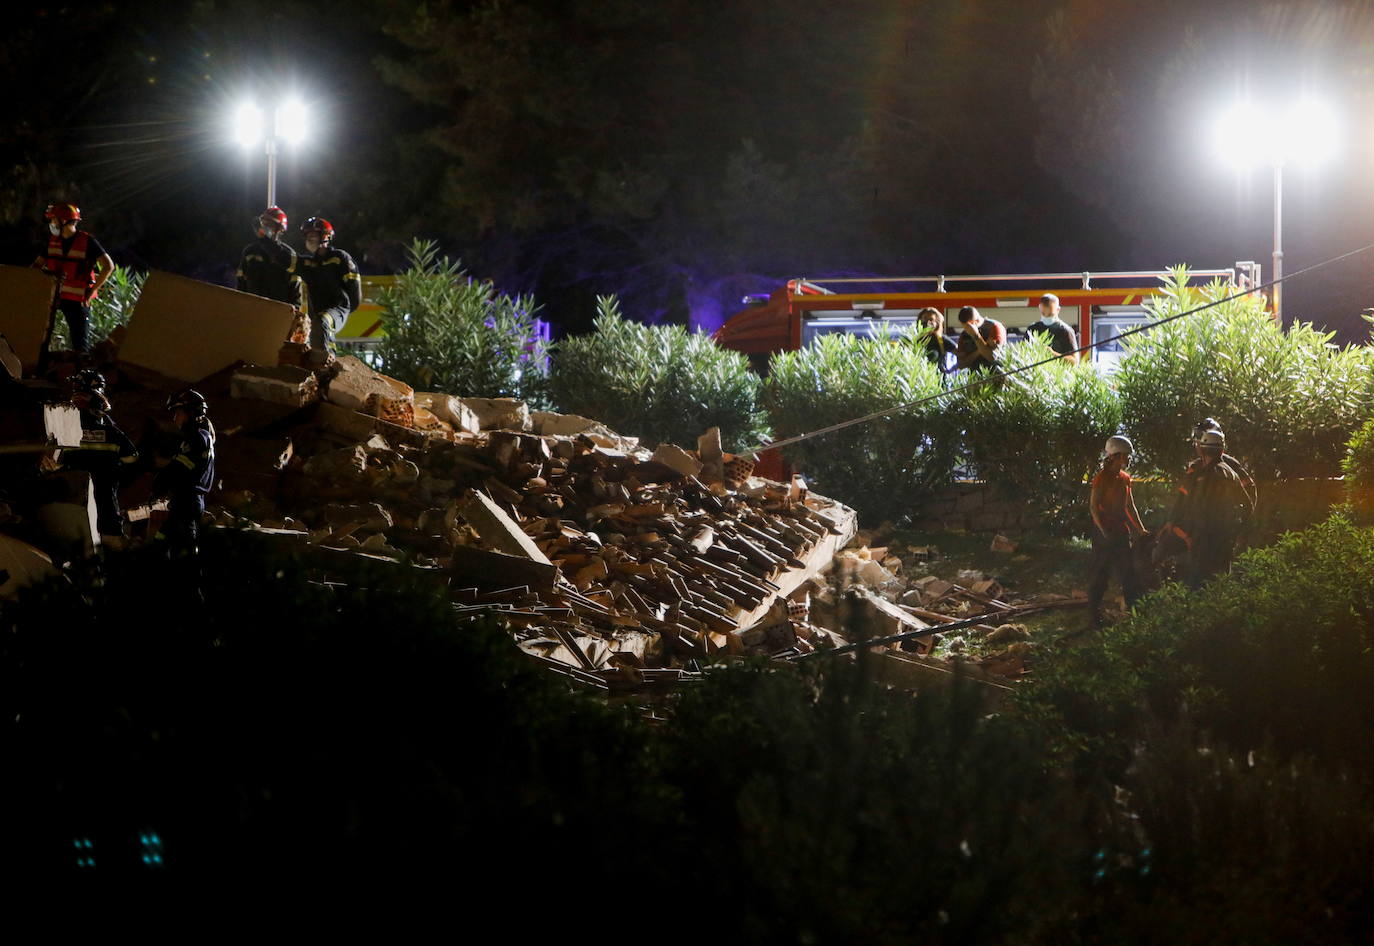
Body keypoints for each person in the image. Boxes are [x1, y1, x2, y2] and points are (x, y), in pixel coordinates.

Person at [1161, 426, 1249, 588]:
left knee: (1198, 578)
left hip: (1204, 537)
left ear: (1202, 449)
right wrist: (1238, 529)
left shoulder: (1200, 475)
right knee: (1222, 577)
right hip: (1225, 536)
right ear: (1222, 450)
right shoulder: (1232, 473)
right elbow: (1248, 504)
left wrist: (1187, 533)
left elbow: (1191, 504)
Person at [61, 369, 138, 543]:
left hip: (73, 507)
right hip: (101, 509)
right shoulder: (111, 432)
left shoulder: (64, 429)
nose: (75, 396)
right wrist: (113, 473)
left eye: (80, 392)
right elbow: (131, 458)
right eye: (75, 391)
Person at [32, 202, 114, 356]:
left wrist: (92, 291)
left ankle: (80, 375)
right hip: (53, 298)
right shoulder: (52, 242)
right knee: (40, 339)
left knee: (80, 345)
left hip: (77, 300)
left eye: (53, 220)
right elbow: (36, 266)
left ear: (63, 221)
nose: (52, 224)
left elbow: (108, 266)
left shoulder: (87, 241)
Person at [1088, 435, 1147, 628]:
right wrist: (1102, 529)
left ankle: (1135, 614)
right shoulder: (1101, 478)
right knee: (1100, 575)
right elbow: (1094, 507)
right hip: (1104, 534)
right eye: (1127, 456)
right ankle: (1093, 616)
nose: (1129, 459)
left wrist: (1140, 529)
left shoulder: (1125, 479)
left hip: (1120, 533)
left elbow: (1129, 506)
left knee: (1128, 574)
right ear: (1117, 455)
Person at [152, 389, 215, 557]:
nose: (175, 418)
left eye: (178, 413)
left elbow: (180, 470)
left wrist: (160, 482)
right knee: (166, 543)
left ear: (190, 413)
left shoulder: (196, 439)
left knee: (180, 548)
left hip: (187, 502)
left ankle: (188, 581)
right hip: (186, 501)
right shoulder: (199, 438)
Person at [296, 216, 361, 360]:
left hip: (339, 308)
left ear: (325, 236)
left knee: (322, 323)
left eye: (313, 235)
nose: (309, 239)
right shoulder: (307, 263)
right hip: (318, 315)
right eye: (307, 236)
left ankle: (326, 364)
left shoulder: (340, 258)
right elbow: (287, 259)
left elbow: (354, 291)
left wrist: (344, 311)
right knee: (311, 330)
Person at [235, 206, 303, 307]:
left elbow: (296, 294)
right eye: (263, 223)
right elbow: (241, 283)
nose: (264, 227)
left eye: (269, 224)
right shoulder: (250, 252)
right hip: (252, 311)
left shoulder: (289, 256)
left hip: (278, 314)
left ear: (280, 229)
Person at [1191, 417, 1257, 513]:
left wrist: (1240, 517)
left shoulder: (1229, 464)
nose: (1196, 445)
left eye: (1198, 441)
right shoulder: (1196, 465)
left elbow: (1249, 489)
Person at [1025, 292, 1079, 364]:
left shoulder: (1066, 331)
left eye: (1050, 314)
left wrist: (1053, 354)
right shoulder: (1032, 330)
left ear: (1058, 310)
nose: (1046, 317)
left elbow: (1074, 361)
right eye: (1043, 314)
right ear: (1040, 308)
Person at [954, 305, 1006, 372]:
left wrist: (976, 336)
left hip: (995, 375)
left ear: (976, 321)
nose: (966, 330)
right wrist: (981, 349)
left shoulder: (994, 327)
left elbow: (992, 357)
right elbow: (961, 364)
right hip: (975, 377)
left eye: (968, 327)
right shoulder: (964, 334)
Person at [914, 307, 955, 372]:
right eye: (924, 319)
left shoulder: (941, 340)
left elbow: (960, 353)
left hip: (937, 380)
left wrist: (951, 370)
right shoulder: (914, 339)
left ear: (937, 323)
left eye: (931, 319)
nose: (927, 322)